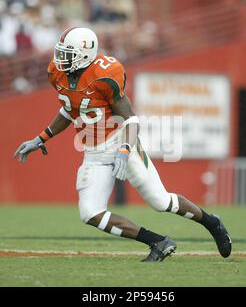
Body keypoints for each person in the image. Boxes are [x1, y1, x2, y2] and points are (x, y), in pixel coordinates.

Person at [14, 27, 231, 262]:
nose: (61, 59)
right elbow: (70, 110)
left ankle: (212, 222)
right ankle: (158, 242)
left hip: (120, 142)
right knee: (90, 213)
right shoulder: (57, 73)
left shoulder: (105, 74)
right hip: (93, 152)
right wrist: (41, 138)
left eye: (68, 54)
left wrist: (125, 151)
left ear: (85, 54)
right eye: (62, 52)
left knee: (161, 201)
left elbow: (131, 119)